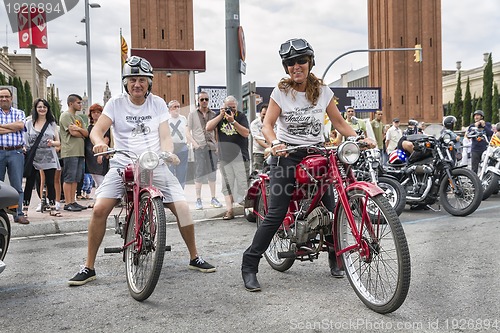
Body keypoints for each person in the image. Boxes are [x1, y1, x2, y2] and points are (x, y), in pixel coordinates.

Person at [68, 56, 216, 286]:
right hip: (122, 162)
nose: (137, 84)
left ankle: (194, 256)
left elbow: (165, 136)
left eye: (142, 80)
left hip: (153, 162)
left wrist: (168, 153)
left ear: (149, 83)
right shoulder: (115, 103)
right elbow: (98, 130)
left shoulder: (157, 103)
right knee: (99, 209)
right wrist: (99, 143)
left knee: (183, 209)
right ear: (125, 83)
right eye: (132, 80)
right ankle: (89, 266)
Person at [241, 38, 359, 292]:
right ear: (286, 67)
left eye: (301, 61)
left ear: (310, 63)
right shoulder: (281, 92)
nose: (297, 66)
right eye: (291, 63)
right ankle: (249, 264)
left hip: (318, 153)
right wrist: (274, 142)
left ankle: (335, 258)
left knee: (332, 209)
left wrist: (357, 138)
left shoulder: (324, 92)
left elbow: (338, 122)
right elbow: (267, 125)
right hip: (287, 155)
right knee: (275, 214)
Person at [206, 95, 250, 220]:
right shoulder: (220, 116)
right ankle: (229, 210)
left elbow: (246, 133)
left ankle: (248, 209)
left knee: (243, 184)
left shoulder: (241, 116)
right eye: (228, 108)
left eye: (233, 108)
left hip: (240, 156)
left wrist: (233, 121)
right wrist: (221, 115)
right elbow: (208, 127)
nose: (231, 110)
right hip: (225, 157)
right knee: (227, 185)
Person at [24, 98, 62, 215]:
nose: (42, 109)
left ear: (47, 109)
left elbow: (58, 142)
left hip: (49, 156)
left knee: (50, 182)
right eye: (39, 107)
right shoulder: (29, 123)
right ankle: (24, 209)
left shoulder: (51, 123)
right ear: (35, 108)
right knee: (30, 183)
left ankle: (52, 208)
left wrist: (52, 143)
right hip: (33, 157)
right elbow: (25, 141)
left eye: (44, 107)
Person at [187, 92, 223, 210]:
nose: (204, 101)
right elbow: (187, 130)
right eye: (202, 99)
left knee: (212, 173)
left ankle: (213, 198)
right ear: (198, 100)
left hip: (211, 147)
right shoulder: (192, 114)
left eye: (206, 99)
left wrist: (217, 146)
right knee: (199, 173)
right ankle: (198, 199)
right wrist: (195, 144)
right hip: (200, 147)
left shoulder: (213, 114)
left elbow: (217, 131)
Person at [0, 87, 29, 224]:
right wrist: (13, 127)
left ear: (11, 98)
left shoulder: (19, 112)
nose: (4, 99)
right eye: (1, 97)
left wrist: (3, 127)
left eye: (6, 96)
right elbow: (17, 126)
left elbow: (20, 126)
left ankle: (19, 213)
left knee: (17, 185)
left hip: (16, 152)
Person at [59, 94, 88, 212]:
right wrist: (80, 133)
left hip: (80, 152)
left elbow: (86, 133)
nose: (80, 105)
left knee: (76, 178)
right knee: (69, 177)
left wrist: (79, 129)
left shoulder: (79, 118)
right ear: (71, 103)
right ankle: (67, 202)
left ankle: (73, 201)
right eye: (78, 103)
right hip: (70, 151)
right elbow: (72, 133)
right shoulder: (66, 116)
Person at [85, 103, 110, 190]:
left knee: (101, 180)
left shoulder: (104, 127)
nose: (96, 114)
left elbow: (106, 139)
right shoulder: (90, 127)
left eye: (98, 112)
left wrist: (101, 154)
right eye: (93, 112)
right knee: (96, 180)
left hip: (99, 155)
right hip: (90, 156)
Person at [167, 100, 189, 188]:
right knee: (170, 171)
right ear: (169, 109)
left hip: (182, 146)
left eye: (178, 106)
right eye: (174, 107)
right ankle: (171, 191)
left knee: (182, 171)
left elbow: (187, 132)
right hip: (170, 147)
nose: (177, 109)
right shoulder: (166, 119)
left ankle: (181, 191)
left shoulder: (183, 118)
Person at [250, 104, 270, 172]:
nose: (265, 116)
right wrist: (269, 147)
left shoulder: (275, 123)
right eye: (264, 114)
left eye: (267, 114)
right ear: (260, 114)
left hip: (271, 152)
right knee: (257, 172)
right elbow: (258, 140)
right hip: (259, 152)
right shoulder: (254, 124)